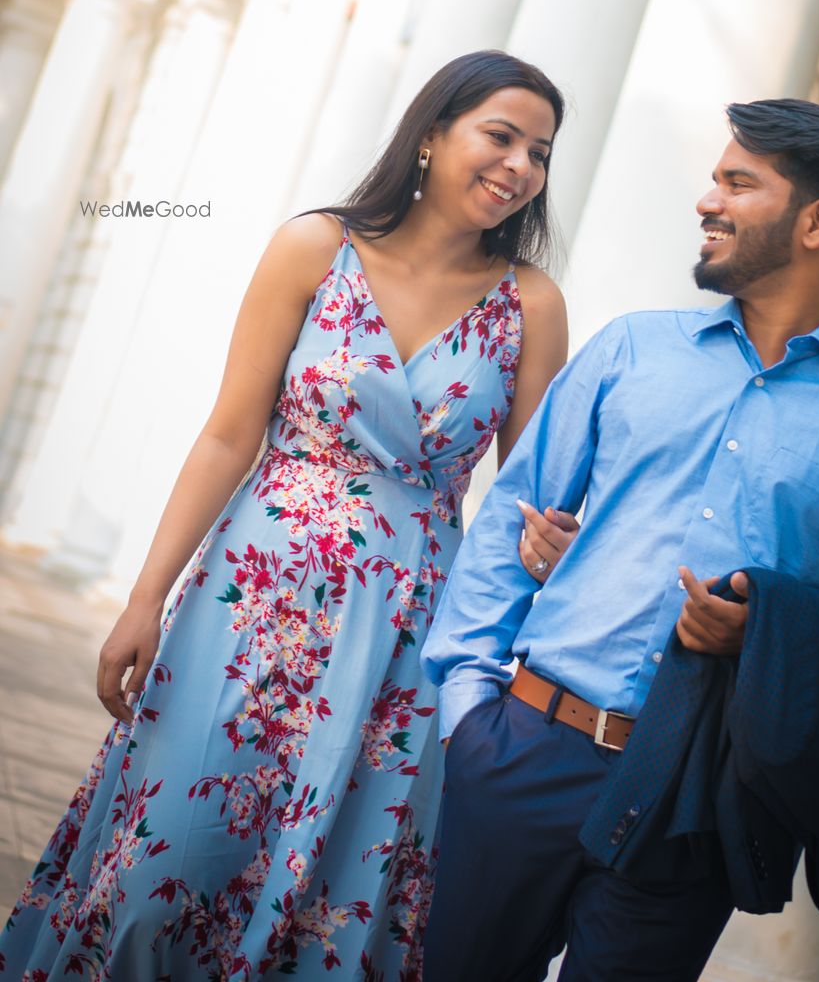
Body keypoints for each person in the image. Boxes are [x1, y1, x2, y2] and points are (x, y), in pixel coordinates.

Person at [1, 50, 579, 982]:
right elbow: (229, 435)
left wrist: (551, 551)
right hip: (250, 600)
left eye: (541, 153)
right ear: (431, 137)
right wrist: (144, 598)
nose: (521, 166)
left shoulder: (532, 306)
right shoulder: (315, 247)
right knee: (166, 860)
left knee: (324, 896)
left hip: (407, 633)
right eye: (501, 136)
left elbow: (527, 499)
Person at [421, 98, 819, 982]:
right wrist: (470, 707)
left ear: (818, 222)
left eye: (738, 183)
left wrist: (771, 635)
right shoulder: (631, 350)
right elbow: (512, 517)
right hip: (523, 750)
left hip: (699, 798)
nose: (707, 201)